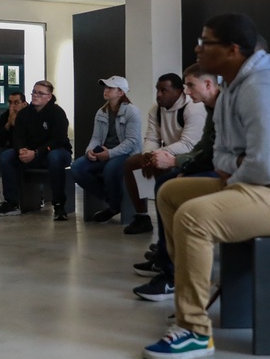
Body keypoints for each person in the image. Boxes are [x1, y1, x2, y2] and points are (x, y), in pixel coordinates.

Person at [142, 13, 270, 359]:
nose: (197, 48)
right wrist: (241, 164)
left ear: (232, 50)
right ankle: (188, 282)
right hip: (266, 185)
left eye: (206, 42)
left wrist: (247, 166)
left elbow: (264, 166)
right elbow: (222, 156)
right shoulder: (232, 88)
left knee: (194, 217)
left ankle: (194, 331)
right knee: (170, 193)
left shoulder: (263, 87)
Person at [132, 64, 220, 301]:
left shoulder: (201, 108)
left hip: (231, 177)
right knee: (141, 170)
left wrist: (177, 162)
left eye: (190, 85)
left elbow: (198, 147)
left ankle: (171, 271)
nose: (187, 91)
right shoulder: (214, 107)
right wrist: (152, 155)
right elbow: (205, 149)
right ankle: (161, 253)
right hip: (211, 167)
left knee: (168, 187)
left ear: (209, 84)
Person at [121, 73, 206, 235]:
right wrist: (147, 154)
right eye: (157, 90)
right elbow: (152, 136)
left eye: (164, 90)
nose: (159, 94)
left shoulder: (193, 108)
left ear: (178, 91)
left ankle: (170, 229)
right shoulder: (156, 109)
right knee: (132, 163)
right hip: (165, 152)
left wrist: (156, 154)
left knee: (166, 171)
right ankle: (142, 216)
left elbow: (188, 145)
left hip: (189, 157)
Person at [0, 81, 73, 220]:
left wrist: (36, 153)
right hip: (32, 153)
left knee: (54, 157)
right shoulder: (24, 114)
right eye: (34, 92)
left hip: (56, 152)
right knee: (6, 156)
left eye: (40, 93)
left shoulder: (57, 113)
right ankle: (11, 203)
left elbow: (58, 140)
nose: (36, 95)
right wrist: (21, 151)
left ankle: (59, 205)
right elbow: (18, 137)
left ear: (49, 96)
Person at [70, 76, 142, 222]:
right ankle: (111, 201)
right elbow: (96, 137)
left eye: (110, 88)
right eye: (105, 87)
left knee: (110, 169)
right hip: (104, 151)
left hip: (127, 154)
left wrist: (109, 154)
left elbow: (131, 142)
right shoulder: (101, 112)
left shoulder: (132, 112)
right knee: (77, 167)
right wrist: (90, 150)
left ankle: (114, 206)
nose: (106, 90)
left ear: (121, 92)